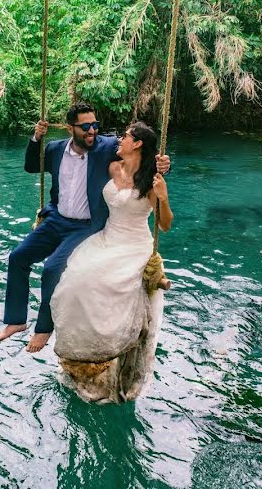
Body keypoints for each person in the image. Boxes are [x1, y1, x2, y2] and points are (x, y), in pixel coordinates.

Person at [0, 103, 170, 352]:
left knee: (52, 268)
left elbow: (145, 158)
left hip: (84, 226)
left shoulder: (106, 148)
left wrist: (166, 166)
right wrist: (36, 138)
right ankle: (16, 321)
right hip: (56, 219)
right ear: (70, 128)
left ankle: (43, 328)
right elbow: (32, 166)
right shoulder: (54, 149)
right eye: (86, 127)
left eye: (95, 125)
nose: (92, 131)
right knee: (18, 257)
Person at [50, 121, 173, 403]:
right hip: (108, 238)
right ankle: (81, 351)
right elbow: (84, 159)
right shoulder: (113, 166)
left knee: (108, 283)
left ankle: (110, 345)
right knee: (74, 280)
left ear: (138, 144)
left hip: (134, 244)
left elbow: (164, 225)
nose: (120, 139)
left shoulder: (152, 180)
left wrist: (163, 198)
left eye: (126, 137)